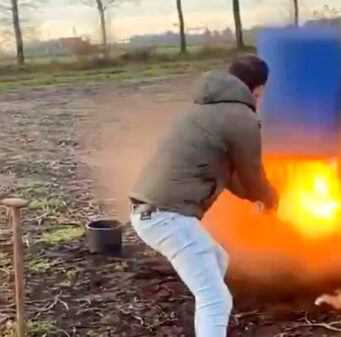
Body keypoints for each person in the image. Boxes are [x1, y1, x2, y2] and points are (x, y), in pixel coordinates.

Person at [129, 55, 278, 337]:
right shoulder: (242, 117)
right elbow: (251, 174)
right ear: (258, 89)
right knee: (216, 299)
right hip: (166, 216)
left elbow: (229, 175)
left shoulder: (203, 109)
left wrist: (255, 196)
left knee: (217, 260)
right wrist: (269, 198)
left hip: (153, 211)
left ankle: (206, 322)